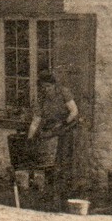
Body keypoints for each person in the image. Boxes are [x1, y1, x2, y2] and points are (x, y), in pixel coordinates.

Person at [27, 71, 80, 207]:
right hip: (53, 131)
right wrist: (30, 137)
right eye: (44, 87)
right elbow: (36, 120)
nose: (46, 90)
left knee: (67, 162)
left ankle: (68, 193)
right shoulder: (41, 99)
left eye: (49, 87)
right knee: (51, 162)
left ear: (54, 86)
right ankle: (51, 195)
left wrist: (63, 124)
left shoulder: (63, 92)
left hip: (68, 129)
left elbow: (74, 111)